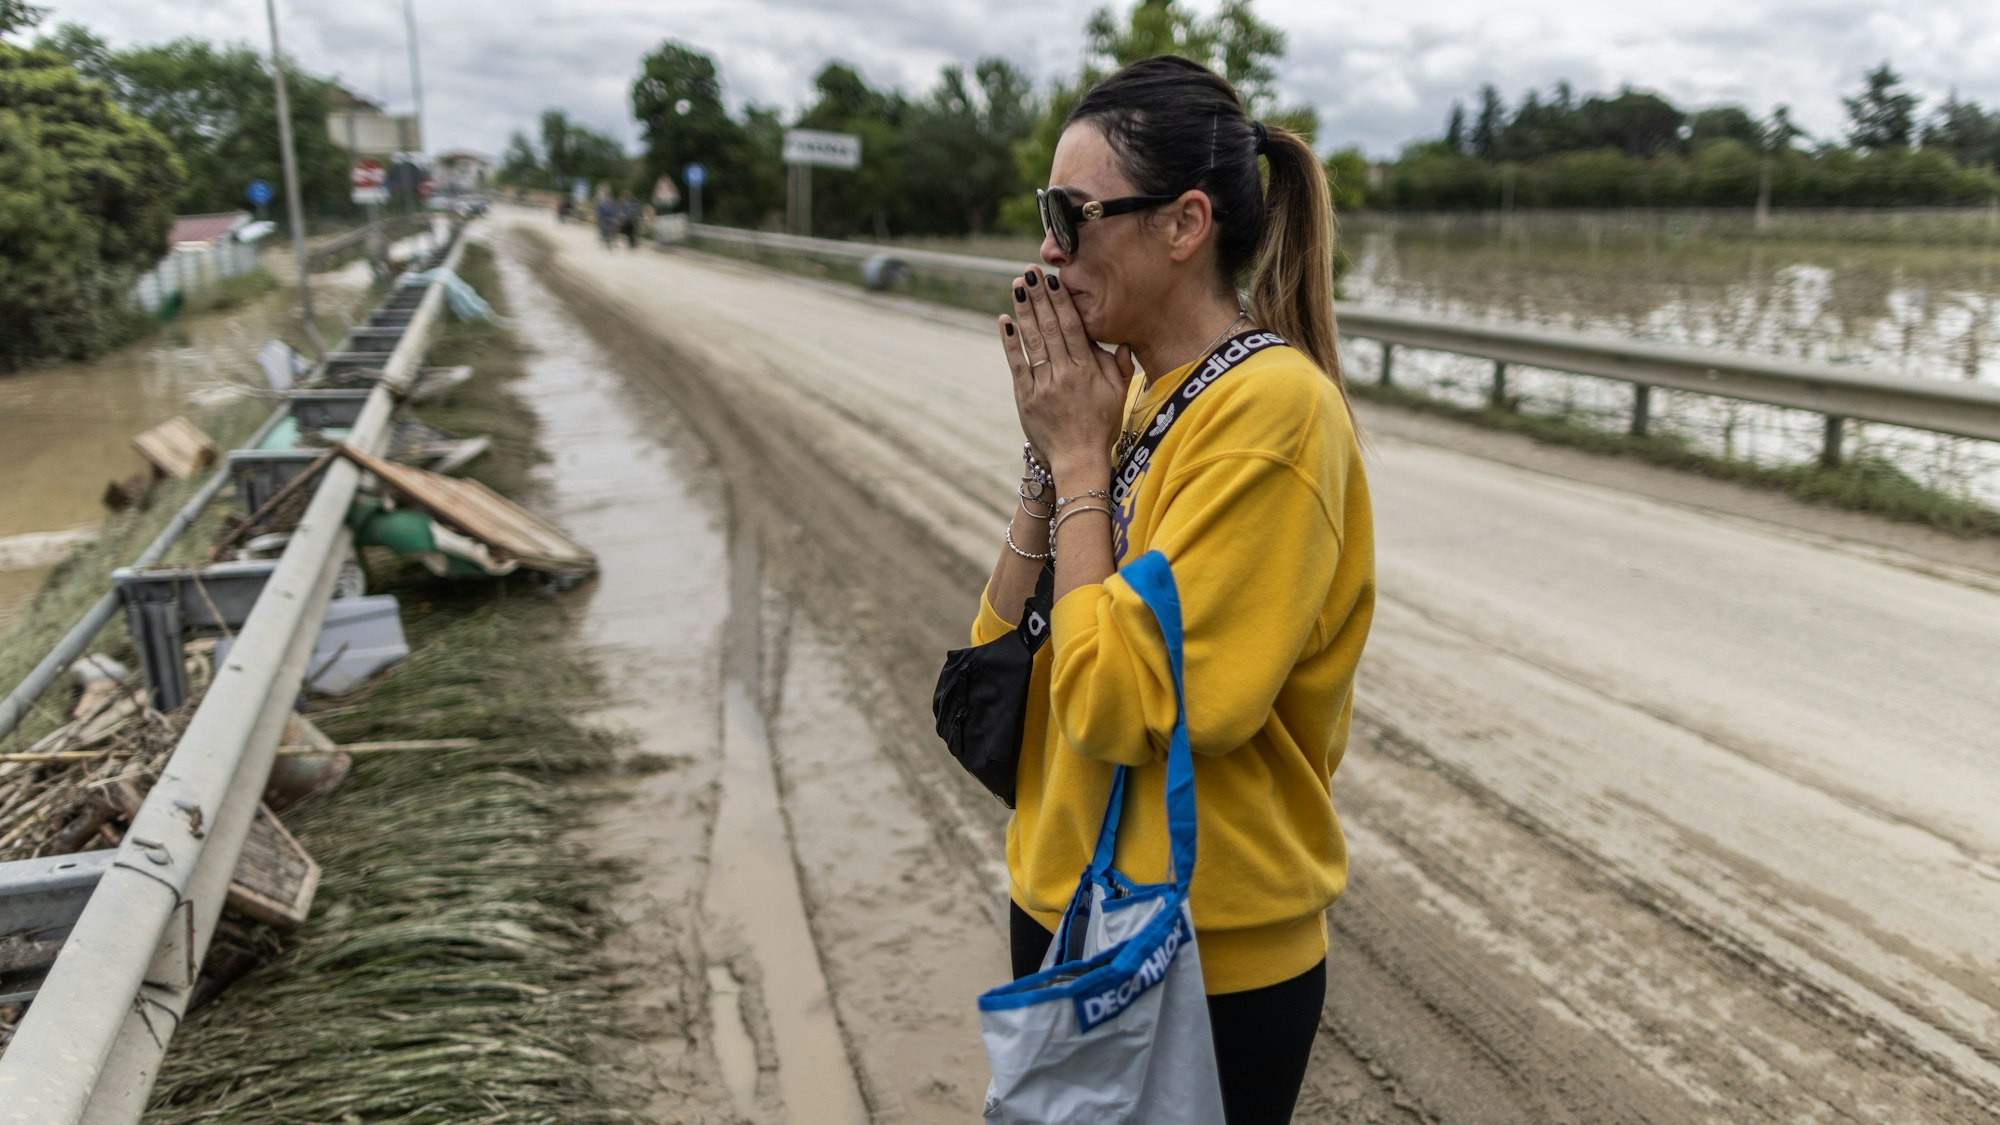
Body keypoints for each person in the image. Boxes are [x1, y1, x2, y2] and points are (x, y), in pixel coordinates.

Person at [969, 55, 1374, 1124]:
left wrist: (1080, 467)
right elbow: (997, 686)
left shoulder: (1270, 418)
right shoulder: (1142, 405)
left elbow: (1114, 708)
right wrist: (1047, 463)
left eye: (1071, 212)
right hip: (1065, 907)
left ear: (1183, 224)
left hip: (1196, 951)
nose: (1046, 250)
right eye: (1042, 212)